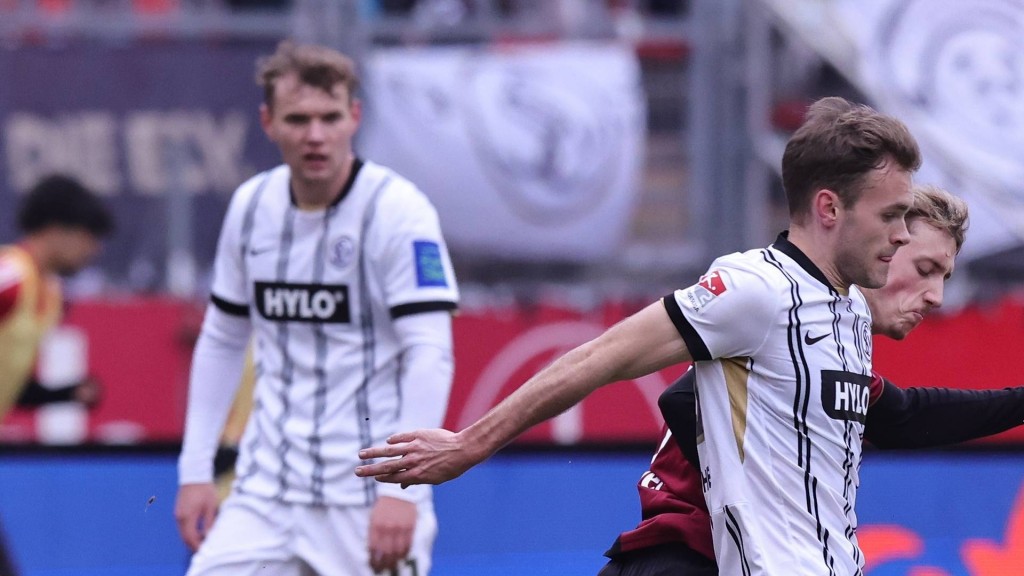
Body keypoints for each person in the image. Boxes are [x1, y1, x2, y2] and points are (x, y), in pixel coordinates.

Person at [355, 96, 921, 575]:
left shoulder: (848, 309)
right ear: (828, 207)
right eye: (891, 215)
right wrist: (467, 445)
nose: (902, 236)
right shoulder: (756, 290)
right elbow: (601, 356)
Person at [599, 183, 1022, 576]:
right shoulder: (788, 310)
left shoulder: (838, 333)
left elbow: (903, 416)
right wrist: (776, 502)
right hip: (686, 558)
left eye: (943, 278)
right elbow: (682, 399)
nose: (937, 296)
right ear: (883, 246)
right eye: (926, 268)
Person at [174, 41, 459, 576]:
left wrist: (406, 492)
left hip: (369, 496)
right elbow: (222, 338)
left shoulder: (400, 211)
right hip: (264, 495)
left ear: (354, 117)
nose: (315, 135)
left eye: (329, 117)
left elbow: (430, 352)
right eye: (297, 118)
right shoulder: (251, 205)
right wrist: (194, 471)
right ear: (268, 121)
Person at [0, 174, 113, 574]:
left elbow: (10, 388)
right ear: (56, 230)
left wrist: (63, 394)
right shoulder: (12, 275)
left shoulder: (47, 298)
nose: (93, 249)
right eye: (88, 235)